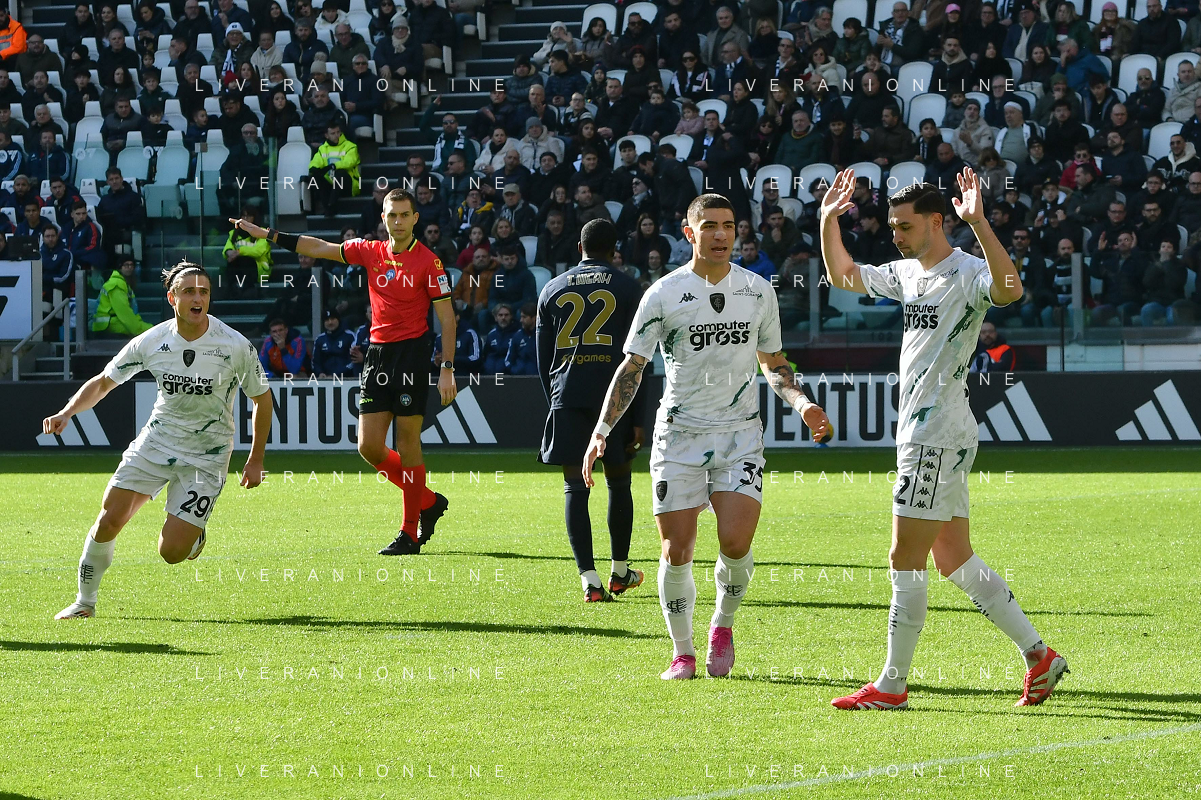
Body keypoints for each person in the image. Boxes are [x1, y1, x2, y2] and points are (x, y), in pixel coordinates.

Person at [820, 169, 1068, 710]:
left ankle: (891, 685)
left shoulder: (968, 271)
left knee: (902, 556)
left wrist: (978, 222)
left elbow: (1010, 289)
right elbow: (843, 275)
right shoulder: (908, 273)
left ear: (937, 221)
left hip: (935, 433)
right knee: (954, 559)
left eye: (905, 226)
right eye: (892, 227)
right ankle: (1039, 655)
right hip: (929, 430)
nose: (895, 235)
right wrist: (826, 220)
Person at [582, 194, 833, 680]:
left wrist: (803, 403)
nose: (721, 235)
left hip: (740, 435)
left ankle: (723, 623)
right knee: (676, 550)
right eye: (710, 226)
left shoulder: (757, 291)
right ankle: (683, 652)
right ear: (689, 233)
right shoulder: (663, 293)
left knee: (735, 543)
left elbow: (773, 362)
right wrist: (601, 431)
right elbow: (633, 366)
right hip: (678, 437)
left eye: (729, 226)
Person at [232, 188, 457, 555]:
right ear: (382, 218)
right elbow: (318, 247)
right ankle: (428, 501)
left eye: (404, 214)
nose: (398, 221)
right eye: (392, 215)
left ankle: (410, 532)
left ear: (416, 218)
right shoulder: (370, 251)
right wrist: (268, 234)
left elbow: (447, 319)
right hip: (377, 354)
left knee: (407, 444)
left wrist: (446, 367)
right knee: (368, 446)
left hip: (412, 357)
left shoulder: (429, 263)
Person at [48, 262, 272, 619]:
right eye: (189, 291)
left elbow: (262, 398)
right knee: (109, 518)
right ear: (172, 298)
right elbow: (104, 382)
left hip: (208, 454)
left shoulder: (234, 345)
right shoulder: (152, 340)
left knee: (171, 552)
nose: (198, 298)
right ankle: (84, 603)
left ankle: (193, 534)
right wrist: (67, 412)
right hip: (157, 442)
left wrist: (256, 459)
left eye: (204, 292)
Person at [537, 218, 647, 602]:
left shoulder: (552, 289)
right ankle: (620, 571)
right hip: (614, 401)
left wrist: (556, 401)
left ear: (579, 248)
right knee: (619, 482)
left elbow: (543, 360)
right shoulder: (629, 287)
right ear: (615, 250)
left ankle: (589, 580)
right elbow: (640, 358)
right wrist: (639, 416)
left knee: (575, 486)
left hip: (567, 396)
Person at [92, 257, 153, 337]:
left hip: (110, 324)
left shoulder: (123, 283)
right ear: (120, 267)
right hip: (108, 327)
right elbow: (125, 314)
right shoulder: (116, 284)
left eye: (131, 265)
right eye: (126, 265)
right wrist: (146, 330)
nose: (129, 267)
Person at [312, 308, 356, 376]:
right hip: (325, 379)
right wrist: (320, 373)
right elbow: (315, 362)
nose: (330, 322)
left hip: (346, 378)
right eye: (327, 320)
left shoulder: (350, 336)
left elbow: (354, 361)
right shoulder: (320, 339)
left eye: (332, 319)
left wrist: (336, 375)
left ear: (338, 320)